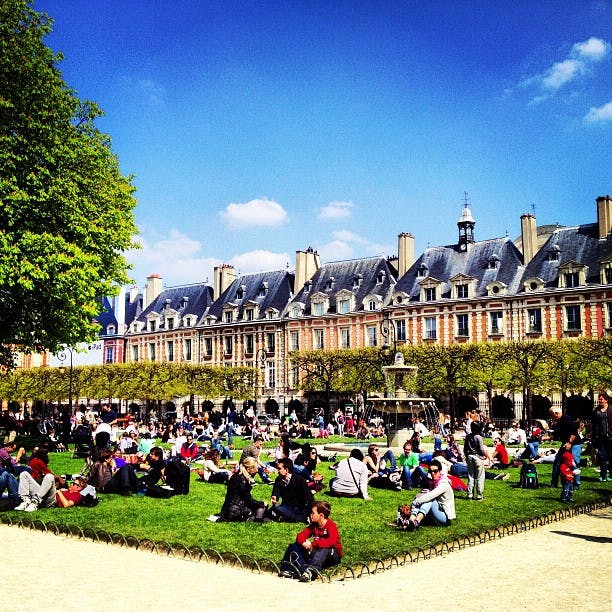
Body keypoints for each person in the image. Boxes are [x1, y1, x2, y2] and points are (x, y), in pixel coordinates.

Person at [279, 500, 343, 582]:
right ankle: (288, 569)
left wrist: (313, 544)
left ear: (321, 515)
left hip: (332, 555)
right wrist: (304, 543)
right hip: (317, 553)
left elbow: (331, 541)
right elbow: (301, 535)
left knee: (324, 547)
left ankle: (312, 572)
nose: (311, 515)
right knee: (294, 546)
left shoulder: (331, 526)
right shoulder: (314, 525)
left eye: (313, 513)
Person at [399, 459, 456, 531]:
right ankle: (410, 522)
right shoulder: (433, 482)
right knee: (424, 497)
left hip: (444, 518)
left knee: (429, 499)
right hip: (435, 514)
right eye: (430, 471)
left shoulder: (444, 483)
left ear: (440, 471)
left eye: (435, 471)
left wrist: (415, 502)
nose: (432, 473)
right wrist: (418, 497)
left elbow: (430, 495)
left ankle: (416, 521)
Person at [218, 456, 266, 522]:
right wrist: (262, 504)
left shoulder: (236, 476)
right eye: (256, 468)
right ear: (249, 469)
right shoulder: (242, 480)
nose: (257, 470)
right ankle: (257, 519)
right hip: (235, 511)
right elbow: (249, 500)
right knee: (262, 507)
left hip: (226, 510)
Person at [266, 458, 314, 523]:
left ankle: (302, 518)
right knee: (271, 510)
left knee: (277, 508)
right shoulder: (278, 479)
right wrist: (274, 497)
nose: (277, 471)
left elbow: (309, 497)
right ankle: (285, 517)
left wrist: (311, 512)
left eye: (279, 469)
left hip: (298, 508)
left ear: (286, 470)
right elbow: (276, 491)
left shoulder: (299, 480)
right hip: (286, 506)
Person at [549, 407, 582, 488]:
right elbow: (556, 435)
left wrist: (569, 443)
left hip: (575, 444)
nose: (551, 417)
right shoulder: (558, 422)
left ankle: (576, 484)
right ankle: (554, 483)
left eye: (552, 415)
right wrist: (544, 438)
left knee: (573, 463)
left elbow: (574, 432)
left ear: (556, 413)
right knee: (557, 463)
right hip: (565, 444)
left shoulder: (567, 419)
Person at [591, 393, 612, 482]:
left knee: (611, 456)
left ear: (606, 400)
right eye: (599, 399)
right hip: (601, 437)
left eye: (601, 399)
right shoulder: (596, 411)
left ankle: (611, 474)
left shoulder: (611, 409)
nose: (600, 401)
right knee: (602, 456)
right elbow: (594, 425)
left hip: (610, 436)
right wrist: (593, 437)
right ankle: (603, 475)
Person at [464, 421, 487, 500]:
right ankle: (479, 495)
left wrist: (466, 456)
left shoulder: (468, 436)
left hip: (470, 456)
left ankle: (470, 494)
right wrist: (485, 455)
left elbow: (465, 449)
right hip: (477, 457)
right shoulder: (478, 437)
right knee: (480, 477)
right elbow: (481, 449)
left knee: (471, 476)